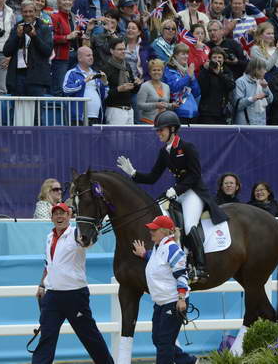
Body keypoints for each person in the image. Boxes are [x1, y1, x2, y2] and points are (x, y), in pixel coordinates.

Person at [117, 110, 229, 281]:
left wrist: (176, 190)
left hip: (194, 192)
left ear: (172, 130)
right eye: (157, 130)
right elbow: (153, 177)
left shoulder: (187, 147)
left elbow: (194, 175)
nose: (158, 133)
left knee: (190, 224)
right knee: (157, 216)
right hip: (178, 192)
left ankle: (200, 267)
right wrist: (133, 173)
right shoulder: (164, 152)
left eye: (161, 130)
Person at [32, 202, 114, 364]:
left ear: (70, 216)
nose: (59, 216)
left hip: (75, 295)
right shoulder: (49, 237)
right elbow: (48, 264)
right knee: (46, 337)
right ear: (51, 217)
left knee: (90, 337)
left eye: (63, 213)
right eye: (56, 214)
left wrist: (93, 231)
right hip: (52, 296)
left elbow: (88, 241)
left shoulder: (77, 233)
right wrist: (42, 285)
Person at [131, 215, 197, 364]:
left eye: (154, 230)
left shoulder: (172, 248)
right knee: (158, 339)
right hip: (162, 302)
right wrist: (144, 254)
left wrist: (181, 299)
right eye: (151, 229)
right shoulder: (158, 247)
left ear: (165, 231)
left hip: (174, 302)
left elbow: (181, 276)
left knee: (164, 343)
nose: (151, 232)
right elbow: (159, 263)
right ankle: (188, 361)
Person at [3, 0, 53, 96]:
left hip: (37, 77)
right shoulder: (17, 27)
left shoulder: (44, 28)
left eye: (30, 11)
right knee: (18, 109)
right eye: (25, 11)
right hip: (18, 75)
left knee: (36, 109)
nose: (28, 14)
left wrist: (34, 36)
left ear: (35, 12)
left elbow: (47, 51)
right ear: (21, 12)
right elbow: (6, 51)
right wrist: (17, 36)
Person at [63, 46, 108, 124]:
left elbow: (104, 96)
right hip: (78, 118)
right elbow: (66, 89)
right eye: (88, 55)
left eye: (92, 55)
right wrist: (84, 81)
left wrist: (105, 83)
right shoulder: (72, 73)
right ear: (79, 58)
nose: (91, 57)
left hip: (96, 117)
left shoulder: (96, 74)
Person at [103, 37, 142, 125]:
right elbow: (103, 94)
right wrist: (119, 89)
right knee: (115, 139)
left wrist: (137, 84)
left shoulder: (126, 66)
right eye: (120, 49)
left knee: (129, 139)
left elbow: (133, 91)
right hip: (114, 110)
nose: (123, 51)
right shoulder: (106, 68)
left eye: (124, 49)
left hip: (129, 109)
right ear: (112, 51)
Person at [50, 0, 81, 96]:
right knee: (59, 88)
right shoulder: (54, 17)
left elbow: (74, 34)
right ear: (58, 2)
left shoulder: (73, 17)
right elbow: (50, 38)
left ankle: (68, 111)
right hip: (60, 58)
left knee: (71, 88)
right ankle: (57, 110)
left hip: (74, 56)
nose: (67, 2)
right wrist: (66, 37)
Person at [163, 43, 200, 123]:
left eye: (187, 54)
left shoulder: (188, 70)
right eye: (183, 54)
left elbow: (196, 93)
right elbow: (174, 88)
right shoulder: (169, 69)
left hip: (192, 112)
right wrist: (188, 77)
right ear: (175, 55)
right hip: (177, 113)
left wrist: (192, 78)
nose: (186, 56)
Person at [197, 47, 235, 124]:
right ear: (210, 59)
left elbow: (231, 86)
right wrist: (205, 70)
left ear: (224, 59)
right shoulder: (205, 71)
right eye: (214, 57)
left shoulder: (227, 71)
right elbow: (202, 89)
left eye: (219, 57)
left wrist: (219, 73)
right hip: (207, 113)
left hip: (223, 112)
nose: (217, 59)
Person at [233, 57, 273, 125]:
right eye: (264, 69)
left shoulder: (261, 81)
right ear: (256, 69)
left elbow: (270, 100)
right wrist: (253, 98)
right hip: (245, 124)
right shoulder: (240, 82)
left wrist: (265, 88)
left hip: (261, 123)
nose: (265, 71)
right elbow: (238, 105)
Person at [136, 59, 175, 124]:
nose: (156, 72)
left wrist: (172, 106)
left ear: (162, 72)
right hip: (147, 122)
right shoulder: (145, 86)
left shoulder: (166, 87)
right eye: (154, 70)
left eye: (159, 70)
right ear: (150, 72)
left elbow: (165, 105)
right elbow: (140, 105)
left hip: (162, 123)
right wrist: (155, 105)